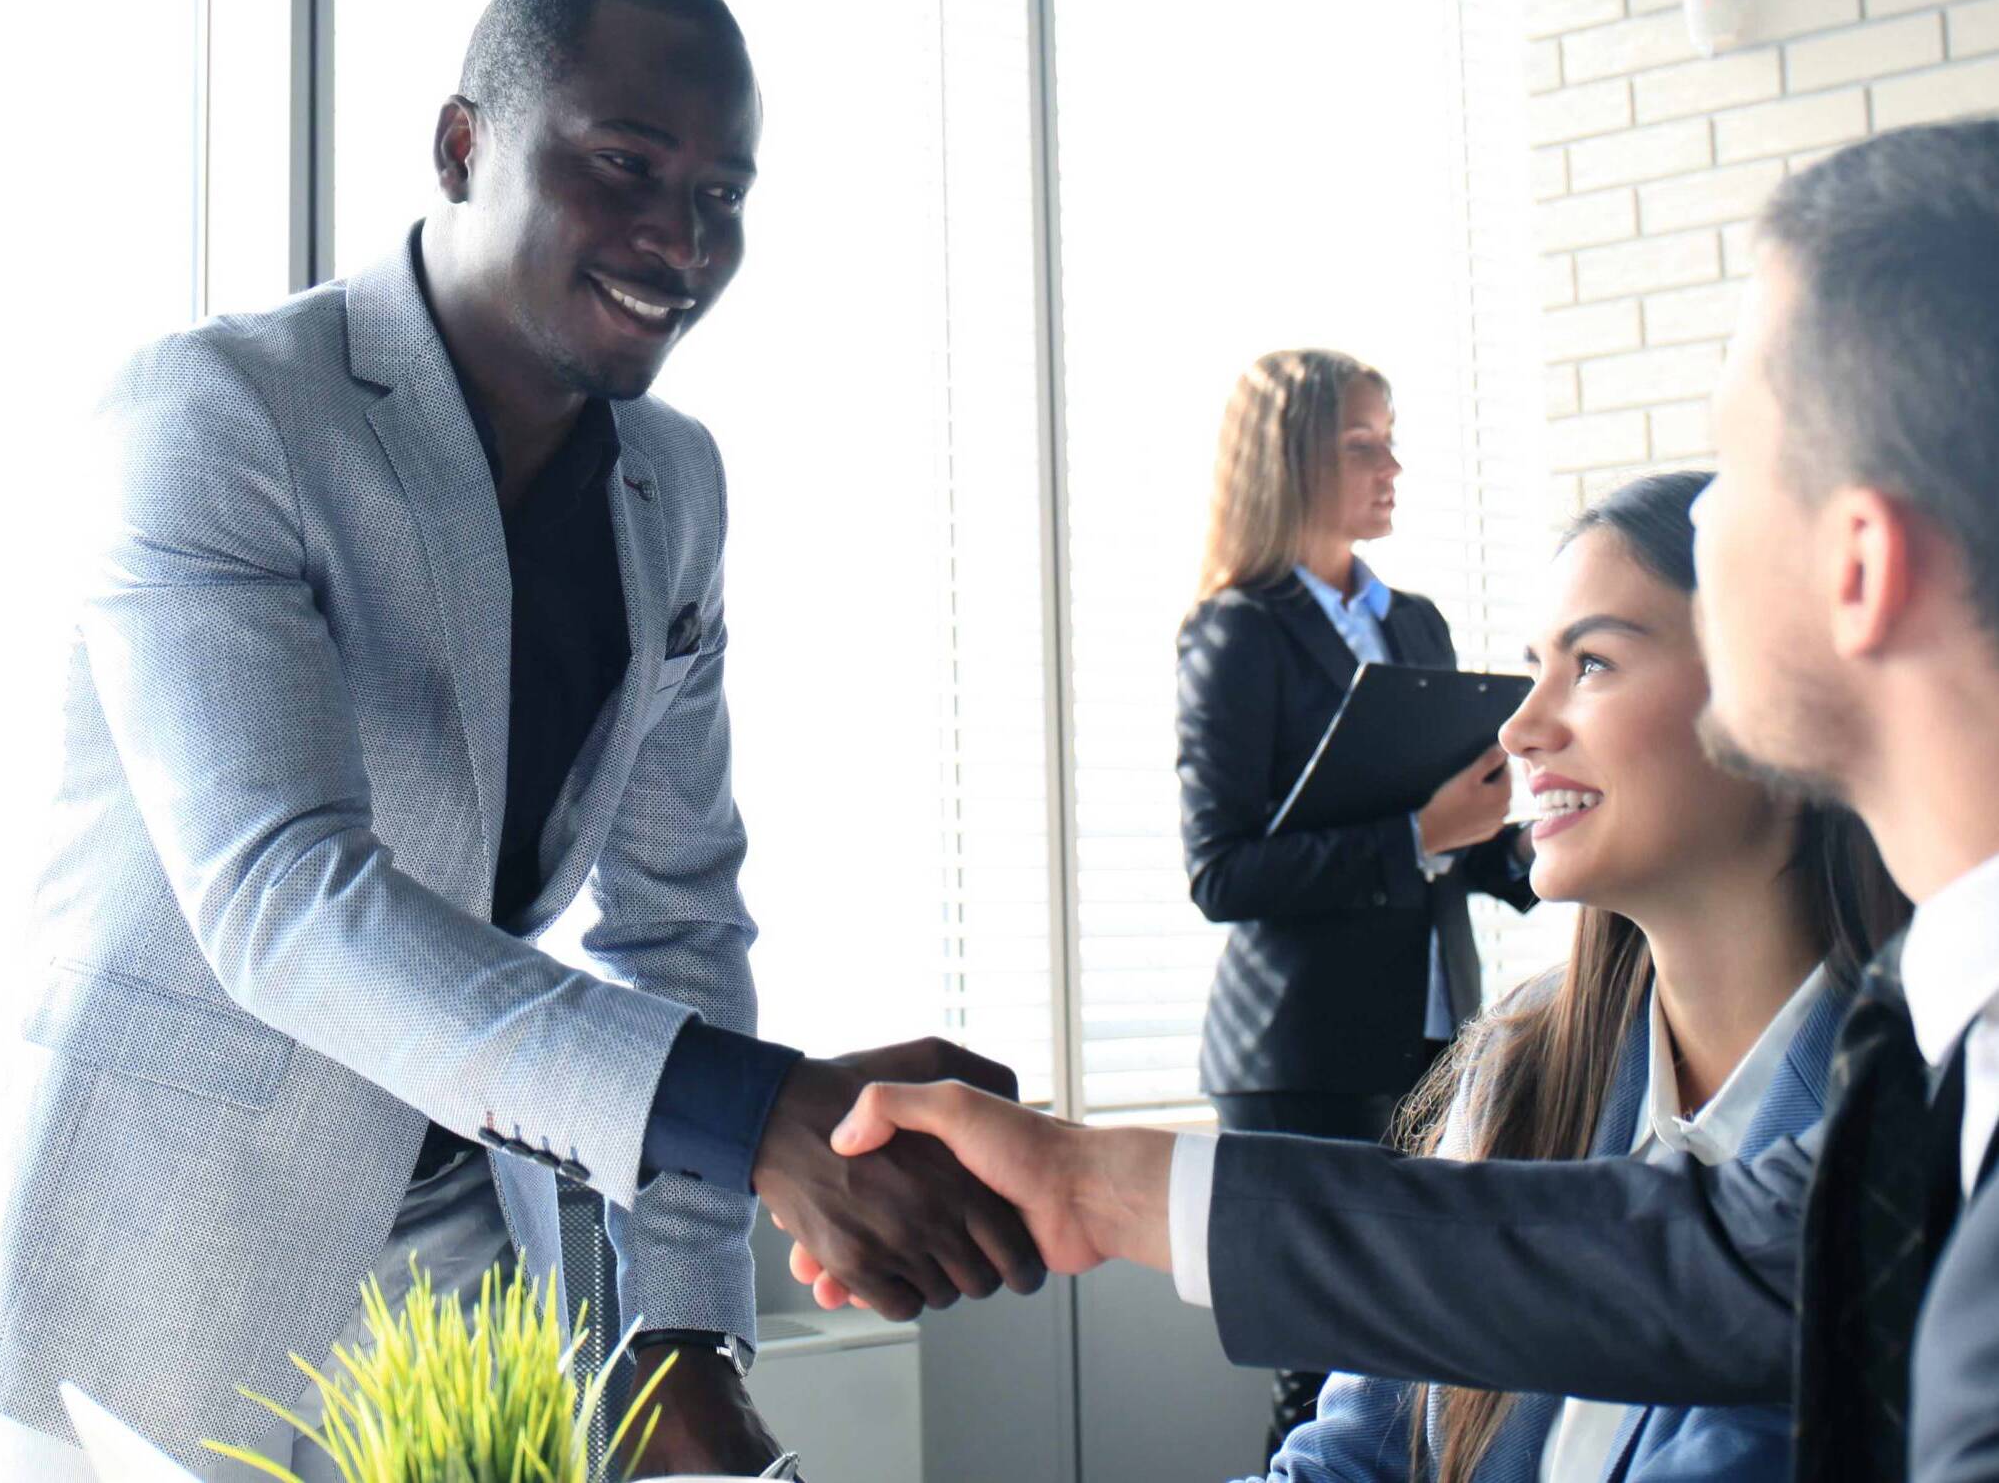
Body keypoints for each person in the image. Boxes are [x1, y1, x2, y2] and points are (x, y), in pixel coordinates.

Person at [0, 0, 1038, 1480]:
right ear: (463, 147)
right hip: (160, 1265)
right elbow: (280, 899)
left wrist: (682, 1334)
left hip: (468, 1268)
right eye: (625, 164)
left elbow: (678, 918)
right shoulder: (212, 415)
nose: (682, 235)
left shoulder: (674, 486)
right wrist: (760, 1112)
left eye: (724, 192)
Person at [803, 120, 1999, 1482]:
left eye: (1737, 465)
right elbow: (1680, 1264)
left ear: (1860, 564)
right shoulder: (1888, 1069)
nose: (1528, 719)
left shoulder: (1890, 1086)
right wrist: (1087, 1179)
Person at [1267, 469, 1906, 1483]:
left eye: (1593, 663)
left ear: (1778, 704)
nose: (1519, 728)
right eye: (1532, 669)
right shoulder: (1516, 1070)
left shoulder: (1920, 1124)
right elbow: (1351, 1460)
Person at [1177, 348, 1534, 1448]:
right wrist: (1418, 835)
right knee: (1327, 1376)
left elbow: (1454, 827)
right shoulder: (1235, 632)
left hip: (1430, 1039)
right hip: (1300, 1057)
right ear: (1291, 461)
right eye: (1363, 444)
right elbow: (1221, 870)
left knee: (1429, 1356)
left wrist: (1556, 845)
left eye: (1392, 437)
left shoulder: (1412, 623)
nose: (1393, 465)